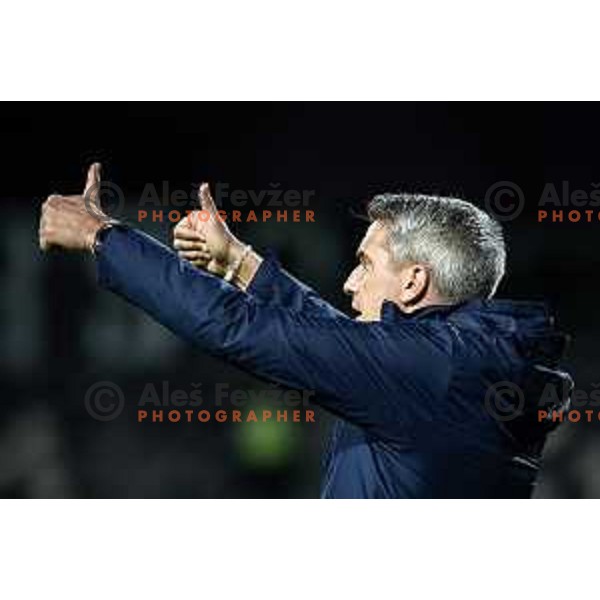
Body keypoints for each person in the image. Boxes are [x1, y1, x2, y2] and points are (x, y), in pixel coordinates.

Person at [38, 163, 573, 498]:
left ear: (412, 281)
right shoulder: (454, 363)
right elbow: (337, 340)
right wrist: (242, 264)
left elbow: (236, 326)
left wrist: (101, 236)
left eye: (365, 264)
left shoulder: (426, 369)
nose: (348, 281)